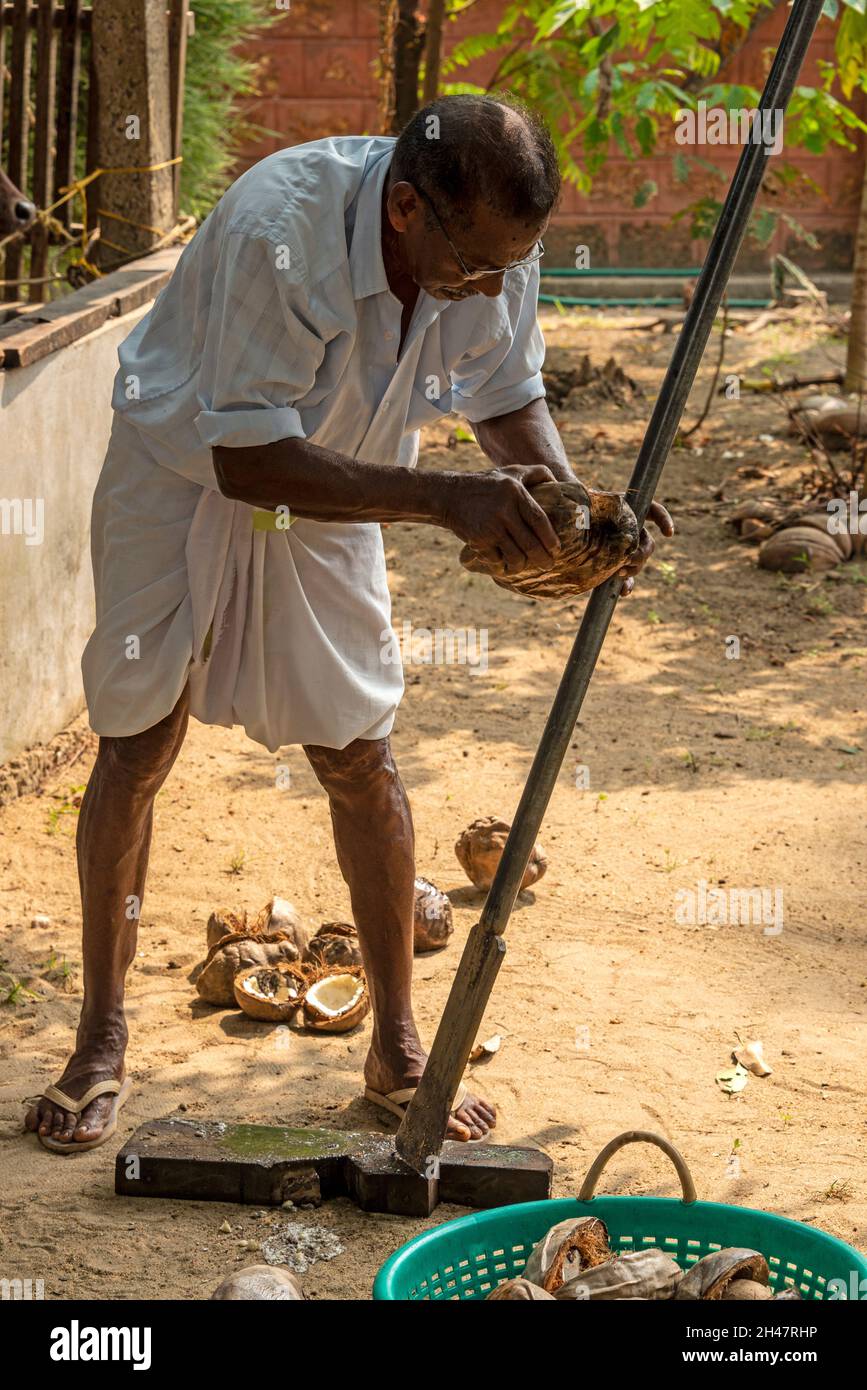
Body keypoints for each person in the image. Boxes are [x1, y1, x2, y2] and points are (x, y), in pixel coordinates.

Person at [26, 95, 671, 1153]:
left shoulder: (492, 240)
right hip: (188, 468)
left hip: (339, 485)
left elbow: (504, 394)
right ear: (407, 206)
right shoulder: (282, 231)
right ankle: (100, 1032)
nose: (495, 286)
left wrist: (582, 513)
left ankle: (398, 1048)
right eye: (477, 265)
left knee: (360, 755)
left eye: (516, 264)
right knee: (137, 744)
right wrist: (443, 498)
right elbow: (251, 461)